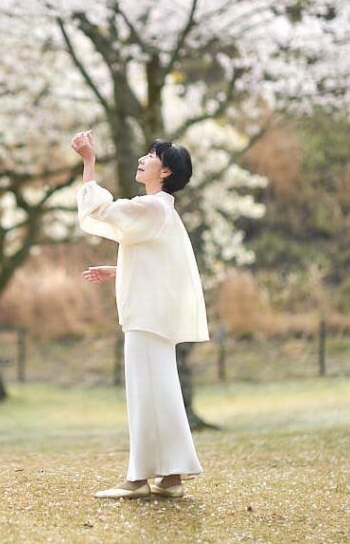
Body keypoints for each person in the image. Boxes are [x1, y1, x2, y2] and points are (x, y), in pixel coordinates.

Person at [70, 129, 209, 500]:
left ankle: (139, 478)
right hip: (152, 317)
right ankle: (170, 477)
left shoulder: (152, 207)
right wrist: (118, 271)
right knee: (158, 390)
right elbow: (159, 260)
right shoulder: (161, 211)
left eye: (152, 156)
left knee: (147, 393)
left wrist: (88, 162)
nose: (143, 159)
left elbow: (99, 212)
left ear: (165, 172)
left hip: (147, 318)